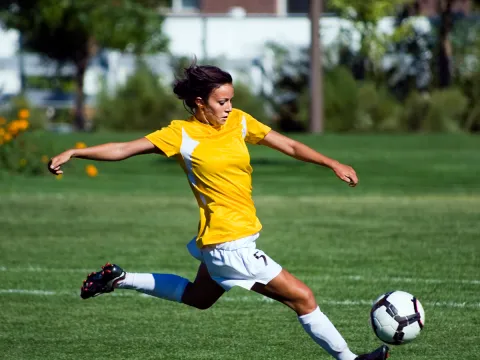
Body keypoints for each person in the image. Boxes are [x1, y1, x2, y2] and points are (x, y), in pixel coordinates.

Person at [48, 62, 388, 360]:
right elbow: (124, 148)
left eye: (230, 100)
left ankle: (120, 279)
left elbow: (289, 144)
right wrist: (76, 153)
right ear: (199, 103)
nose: (228, 107)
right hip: (230, 244)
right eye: (221, 101)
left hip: (222, 240)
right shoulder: (180, 135)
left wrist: (331, 163)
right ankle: (350, 359)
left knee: (199, 298)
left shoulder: (238, 122)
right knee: (303, 297)